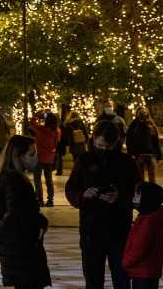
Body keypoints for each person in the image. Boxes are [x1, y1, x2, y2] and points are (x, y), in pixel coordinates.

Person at [66, 119, 140, 289]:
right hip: (91, 227)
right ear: (94, 140)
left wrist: (120, 197)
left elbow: (137, 191)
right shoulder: (84, 160)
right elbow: (71, 188)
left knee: (121, 276)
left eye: (109, 147)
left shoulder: (126, 162)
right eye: (100, 146)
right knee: (93, 278)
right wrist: (83, 195)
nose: (104, 151)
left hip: (119, 227)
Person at [0, 134, 51, 289]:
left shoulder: (12, 177)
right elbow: (16, 214)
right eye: (31, 154)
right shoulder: (13, 181)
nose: (36, 158)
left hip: (19, 247)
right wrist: (38, 222)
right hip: (21, 249)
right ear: (19, 156)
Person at [122, 181, 163, 289]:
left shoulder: (147, 221)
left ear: (147, 199)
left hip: (142, 271)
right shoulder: (152, 216)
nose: (134, 197)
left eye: (137, 194)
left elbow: (139, 247)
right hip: (150, 271)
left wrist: (126, 262)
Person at [125, 108, 162, 184]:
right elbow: (129, 140)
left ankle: (152, 190)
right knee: (139, 176)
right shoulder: (134, 125)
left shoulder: (151, 125)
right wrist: (131, 153)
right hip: (138, 155)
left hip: (150, 154)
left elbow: (155, 141)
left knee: (152, 175)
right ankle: (141, 191)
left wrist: (159, 155)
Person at [31, 112, 59, 207]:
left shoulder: (40, 129)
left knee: (37, 179)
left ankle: (40, 200)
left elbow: (32, 123)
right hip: (50, 157)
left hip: (39, 157)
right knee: (49, 179)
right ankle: (50, 200)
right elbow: (56, 144)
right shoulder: (56, 131)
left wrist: (37, 115)